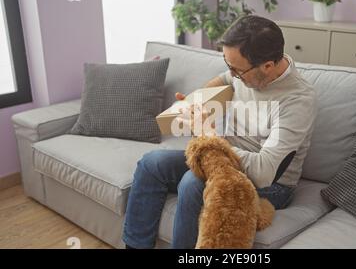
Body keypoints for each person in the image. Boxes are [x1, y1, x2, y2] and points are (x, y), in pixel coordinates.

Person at [122, 15, 317, 249]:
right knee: (151, 164)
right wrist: (196, 101)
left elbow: (265, 172)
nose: (232, 74)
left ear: (267, 66)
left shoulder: (297, 101)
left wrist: (211, 138)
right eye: (228, 65)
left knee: (192, 183)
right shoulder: (246, 73)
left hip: (271, 185)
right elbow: (224, 79)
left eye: (237, 70)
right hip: (221, 159)